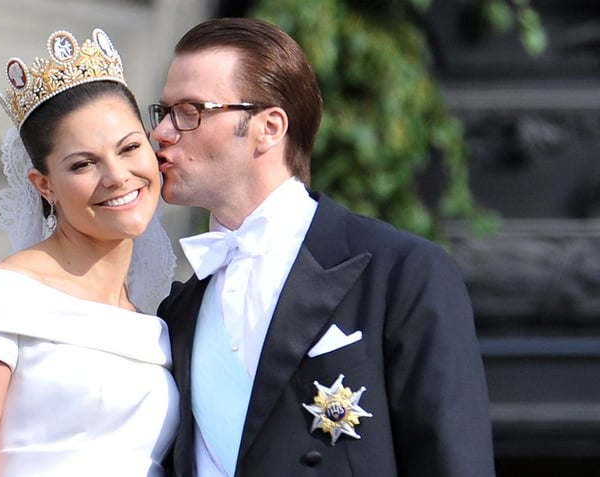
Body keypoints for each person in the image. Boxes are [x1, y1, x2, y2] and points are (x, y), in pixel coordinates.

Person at [150, 17, 495, 477]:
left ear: (268, 127)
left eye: (191, 111)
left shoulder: (402, 273)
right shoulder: (179, 309)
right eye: (165, 111)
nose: (162, 133)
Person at [0, 28, 179, 476]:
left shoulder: (157, 321)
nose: (118, 176)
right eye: (83, 164)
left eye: (130, 148)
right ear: (45, 186)